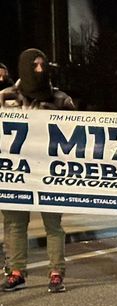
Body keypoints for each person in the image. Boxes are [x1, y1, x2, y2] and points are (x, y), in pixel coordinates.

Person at [1, 48, 75, 293]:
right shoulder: (5, 97)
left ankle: (56, 272)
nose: (40, 70)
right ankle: (16, 272)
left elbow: (77, 138)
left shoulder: (60, 99)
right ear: (24, 68)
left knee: (53, 225)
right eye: (35, 66)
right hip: (15, 173)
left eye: (43, 65)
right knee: (13, 224)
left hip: (50, 174)